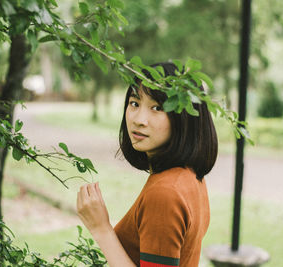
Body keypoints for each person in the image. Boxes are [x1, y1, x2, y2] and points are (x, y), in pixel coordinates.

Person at [76, 62, 218, 267]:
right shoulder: (190, 176)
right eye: (135, 103)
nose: (139, 119)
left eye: (157, 108)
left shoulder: (166, 193)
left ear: (185, 118)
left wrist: (101, 229)